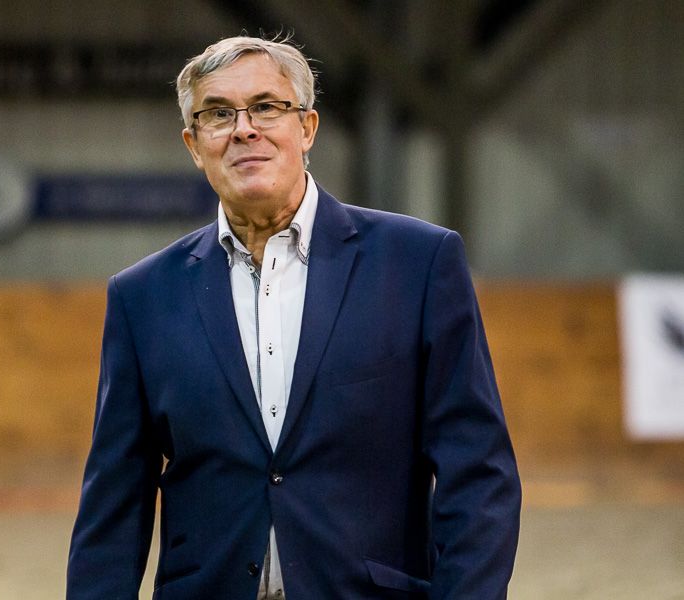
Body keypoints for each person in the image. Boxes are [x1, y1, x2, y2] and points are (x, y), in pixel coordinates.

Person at [67, 35, 521, 600]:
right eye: (217, 114)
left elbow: (477, 472)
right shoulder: (142, 296)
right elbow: (114, 502)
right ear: (194, 144)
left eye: (265, 107)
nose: (243, 129)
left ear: (307, 128)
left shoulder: (418, 264)